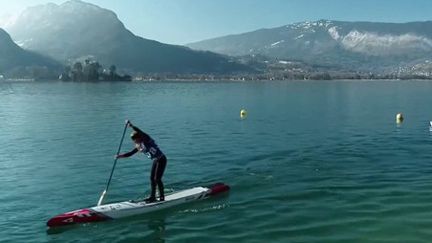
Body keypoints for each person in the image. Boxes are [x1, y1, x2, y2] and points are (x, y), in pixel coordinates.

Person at [117, 120, 167, 203]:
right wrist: (120, 156)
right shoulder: (139, 145)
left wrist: (131, 125)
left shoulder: (146, 139)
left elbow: (139, 131)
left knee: (157, 179)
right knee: (152, 179)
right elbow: (130, 153)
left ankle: (162, 198)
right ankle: (153, 197)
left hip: (161, 159)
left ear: (139, 137)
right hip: (155, 160)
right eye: (133, 140)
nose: (134, 141)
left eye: (135, 139)